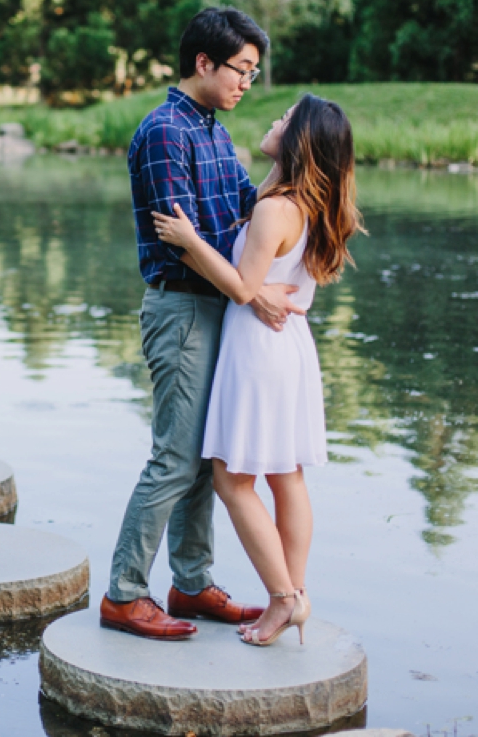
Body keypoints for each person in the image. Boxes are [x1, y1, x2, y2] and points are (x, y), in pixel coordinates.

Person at [100, 8, 307, 641]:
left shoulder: (213, 131)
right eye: (242, 70)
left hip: (219, 307)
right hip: (184, 307)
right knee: (174, 456)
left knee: (204, 454)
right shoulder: (166, 131)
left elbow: (246, 211)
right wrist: (251, 293)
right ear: (203, 64)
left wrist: (290, 160)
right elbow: (186, 244)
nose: (248, 82)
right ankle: (123, 594)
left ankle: (190, 585)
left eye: (253, 71)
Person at [153, 93, 364, 646]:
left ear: (300, 141)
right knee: (286, 475)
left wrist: (189, 241)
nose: (276, 120)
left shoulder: (276, 208)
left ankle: (283, 598)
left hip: (259, 350)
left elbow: (244, 288)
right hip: (289, 345)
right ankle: (296, 591)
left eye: (287, 119)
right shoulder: (307, 202)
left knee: (232, 478)